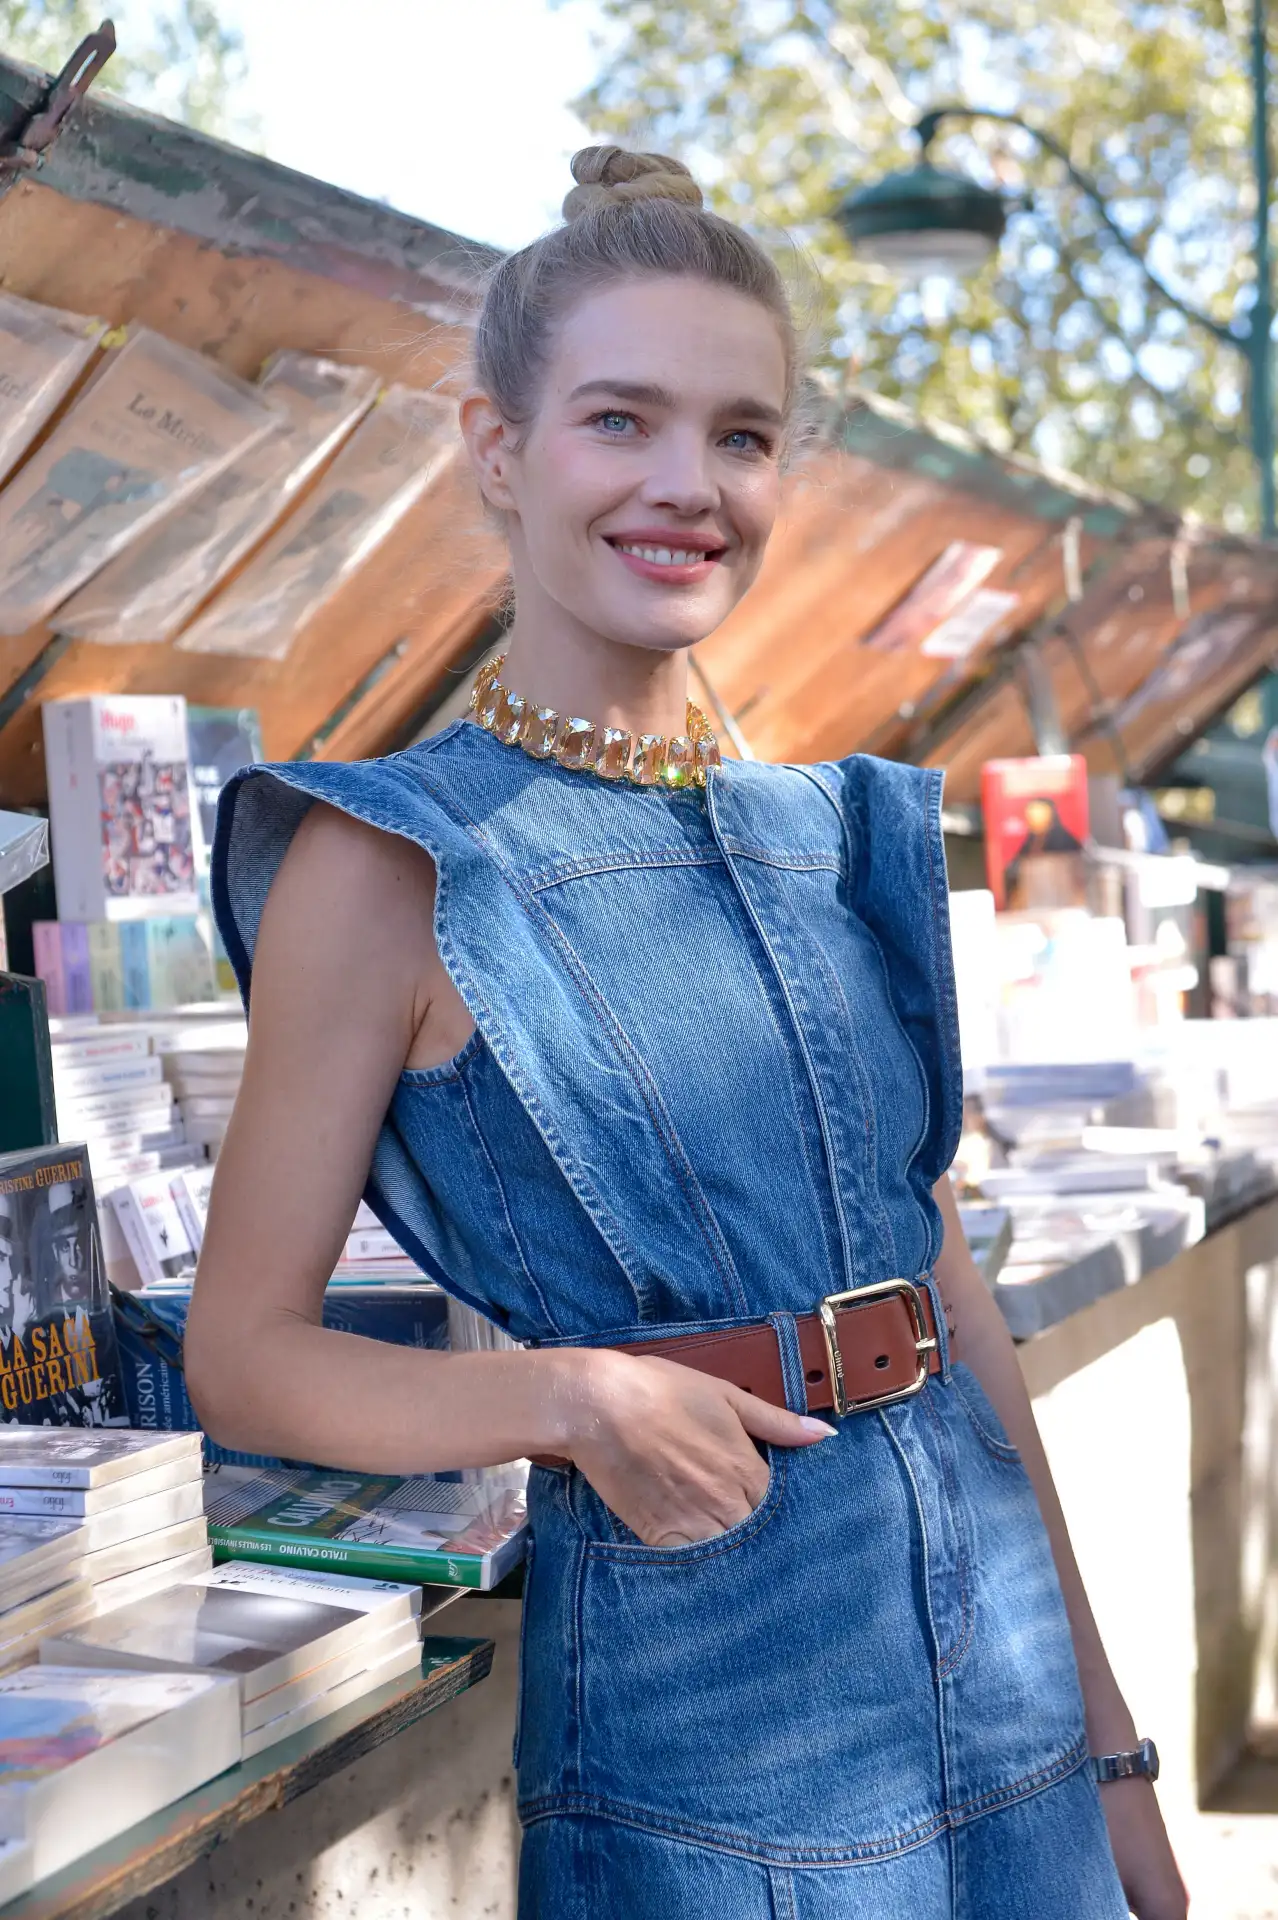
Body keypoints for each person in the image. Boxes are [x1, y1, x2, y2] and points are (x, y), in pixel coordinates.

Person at [187, 146, 1186, 1918]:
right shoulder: (387, 856)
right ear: (497, 450)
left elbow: (942, 1294)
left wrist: (1111, 1756)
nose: (687, 486)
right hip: (708, 1682)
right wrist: (561, 1398)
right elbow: (246, 1356)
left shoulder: (835, 832)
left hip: (999, 1641)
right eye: (619, 422)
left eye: (739, 436)